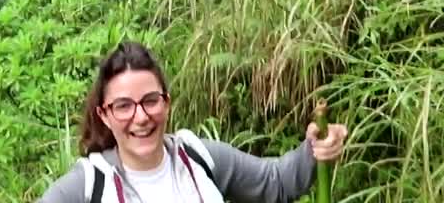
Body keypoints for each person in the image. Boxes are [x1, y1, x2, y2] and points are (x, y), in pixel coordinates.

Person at [38, 41, 349, 203]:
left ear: (167, 102)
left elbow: (276, 183)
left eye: (150, 100)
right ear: (104, 115)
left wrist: (315, 147)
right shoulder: (90, 185)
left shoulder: (199, 157)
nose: (141, 117)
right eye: (123, 106)